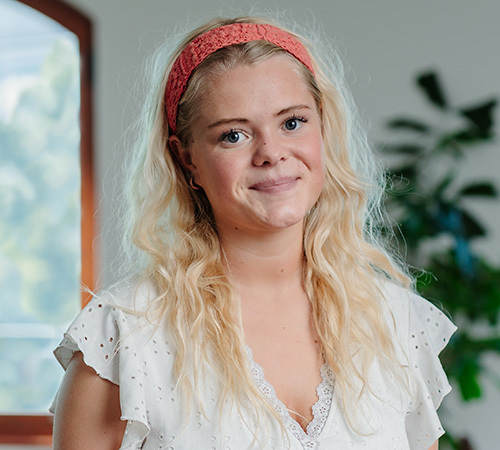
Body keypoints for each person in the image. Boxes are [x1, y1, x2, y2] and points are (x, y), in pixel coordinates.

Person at [51, 16, 456, 450]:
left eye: (292, 122)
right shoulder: (124, 335)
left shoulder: (394, 321)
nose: (271, 153)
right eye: (233, 135)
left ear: (323, 128)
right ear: (187, 160)